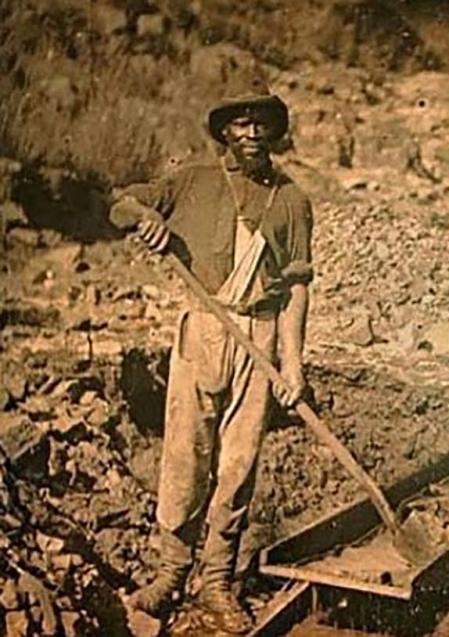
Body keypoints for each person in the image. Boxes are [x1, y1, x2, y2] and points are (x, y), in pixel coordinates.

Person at [109, 77, 313, 633]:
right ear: (224, 130)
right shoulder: (192, 181)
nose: (251, 132)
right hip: (202, 330)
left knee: (238, 464)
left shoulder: (291, 200)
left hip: (261, 338)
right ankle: (171, 571)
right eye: (240, 122)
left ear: (275, 131)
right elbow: (121, 203)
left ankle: (217, 581)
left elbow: (297, 287)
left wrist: (291, 365)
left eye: (261, 122)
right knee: (184, 456)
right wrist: (145, 219)